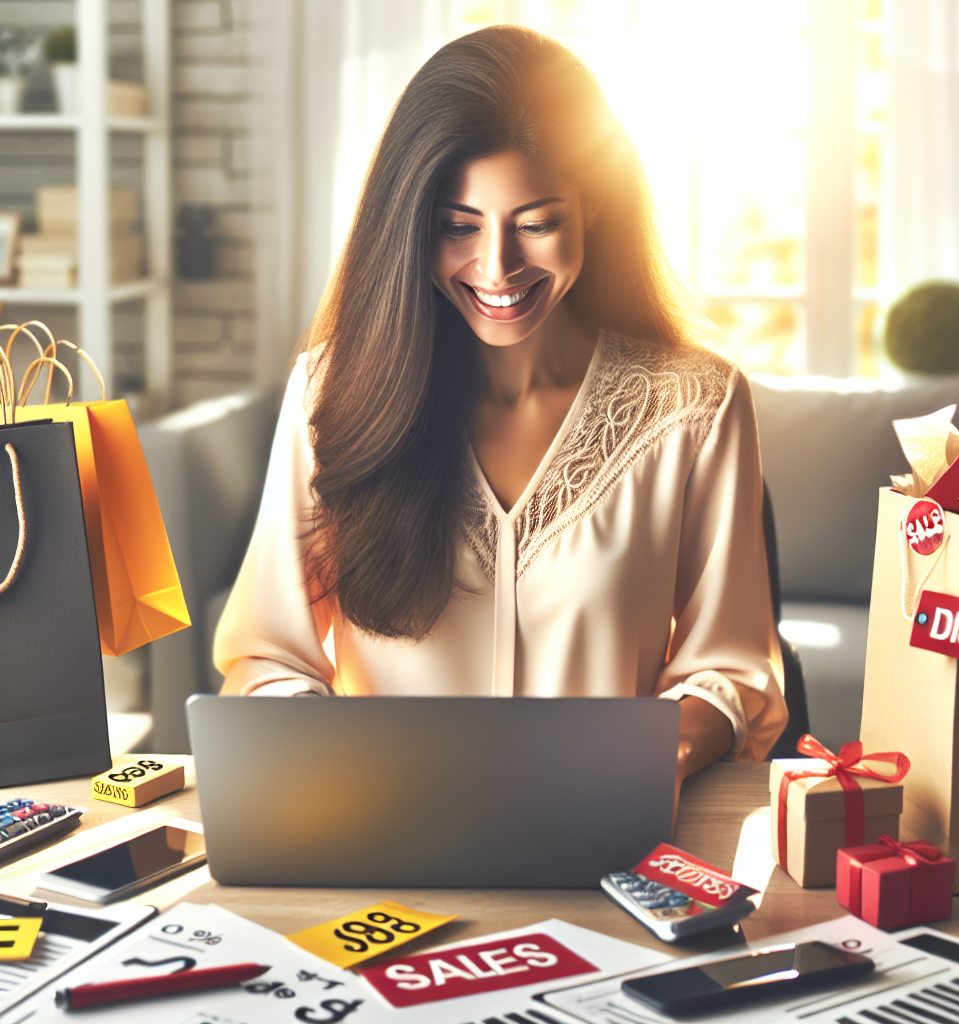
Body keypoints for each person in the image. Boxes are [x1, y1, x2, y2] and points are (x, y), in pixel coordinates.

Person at [214, 25, 788, 782]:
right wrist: (334, 752)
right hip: (384, 844)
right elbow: (266, 658)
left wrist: (649, 759)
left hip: (603, 848)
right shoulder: (328, 392)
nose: (497, 267)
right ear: (413, 224)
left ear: (595, 206)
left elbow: (731, 672)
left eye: (537, 223)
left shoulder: (698, 405)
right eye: (459, 226)